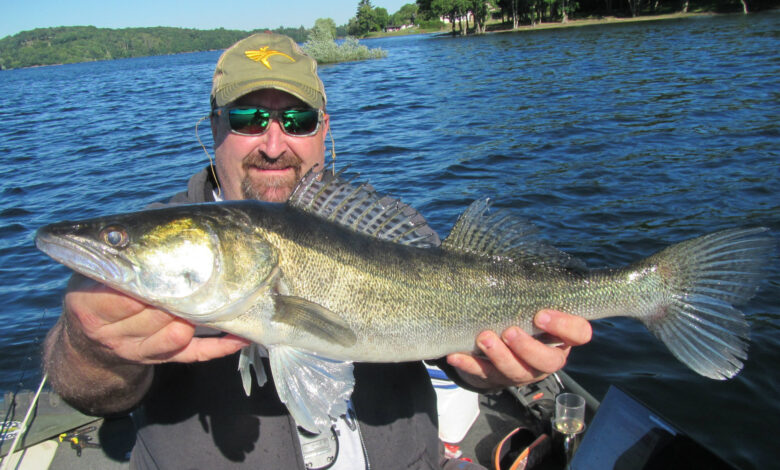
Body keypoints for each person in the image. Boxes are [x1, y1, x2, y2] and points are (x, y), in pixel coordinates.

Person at [42, 33, 592, 469]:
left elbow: (452, 345)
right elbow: (84, 388)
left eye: (297, 119)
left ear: (324, 130)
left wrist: (492, 371)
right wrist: (92, 350)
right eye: (248, 118)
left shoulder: (384, 232)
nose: (274, 143)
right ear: (212, 127)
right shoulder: (157, 239)